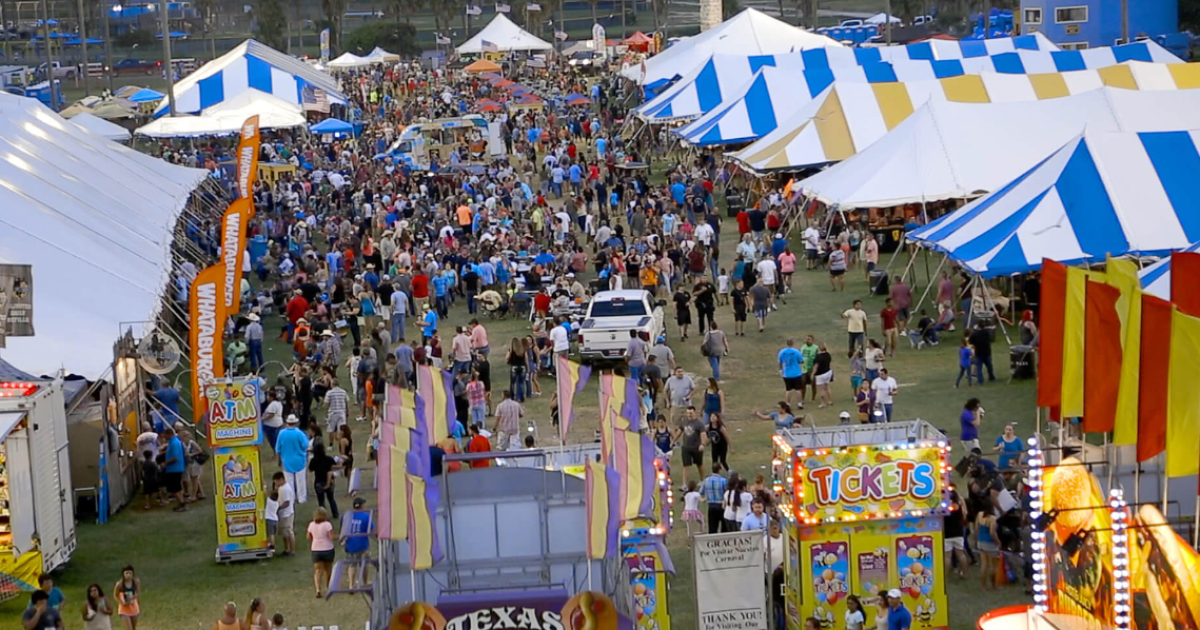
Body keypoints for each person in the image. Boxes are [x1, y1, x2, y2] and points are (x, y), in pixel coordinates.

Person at [275, 415, 311, 504]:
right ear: (295, 422)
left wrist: (279, 460)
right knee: (301, 481)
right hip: (299, 460)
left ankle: (291, 498)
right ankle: (302, 498)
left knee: (289, 481)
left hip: (287, 460)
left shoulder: (281, 433)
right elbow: (305, 445)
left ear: (287, 422)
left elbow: (278, 448)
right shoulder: (299, 433)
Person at [343, 497, 373, 587]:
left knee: (352, 565)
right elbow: (372, 530)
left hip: (350, 544)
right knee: (365, 564)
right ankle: (365, 582)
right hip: (363, 544)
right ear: (362, 506)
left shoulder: (347, 516)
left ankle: (351, 585)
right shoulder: (366, 516)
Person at [308, 507, 336, 598]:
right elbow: (331, 537)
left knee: (318, 570)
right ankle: (328, 587)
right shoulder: (327, 525)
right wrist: (339, 536)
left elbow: (308, 537)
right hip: (327, 549)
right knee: (328, 570)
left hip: (316, 550)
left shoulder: (311, 525)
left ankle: (318, 589)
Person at [678, 408, 708, 489]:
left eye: (690, 413)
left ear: (694, 413)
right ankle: (684, 484)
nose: (689, 415)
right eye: (688, 413)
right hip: (686, 447)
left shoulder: (699, 424)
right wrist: (674, 440)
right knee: (686, 465)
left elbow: (703, 435)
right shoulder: (684, 421)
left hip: (696, 448)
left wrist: (702, 444)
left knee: (699, 464)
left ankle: (702, 480)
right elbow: (680, 431)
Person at [160, 427, 188, 511]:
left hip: (174, 469)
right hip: (175, 468)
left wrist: (165, 463)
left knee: (173, 489)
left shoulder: (174, 443)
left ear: (169, 434)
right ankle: (182, 502)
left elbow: (175, 457)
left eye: (165, 435)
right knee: (177, 488)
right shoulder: (173, 442)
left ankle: (182, 504)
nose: (164, 437)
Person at [309, 442, 339, 519]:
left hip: (318, 481)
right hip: (329, 481)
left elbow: (310, 470)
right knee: (331, 499)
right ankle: (335, 514)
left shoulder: (314, 460)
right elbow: (334, 466)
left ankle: (322, 516)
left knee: (321, 501)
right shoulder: (328, 459)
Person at [944, 489, 969, 579]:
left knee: (947, 556)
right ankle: (965, 573)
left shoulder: (944, 508)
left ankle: (945, 576)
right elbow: (964, 515)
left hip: (947, 534)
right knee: (961, 554)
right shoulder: (959, 506)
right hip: (958, 533)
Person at [272, 472, 297, 557]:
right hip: (283, 514)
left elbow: (287, 502)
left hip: (287, 514)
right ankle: (287, 549)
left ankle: (292, 551)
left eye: (276, 481)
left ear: (281, 479)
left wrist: (277, 508)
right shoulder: (282, 488)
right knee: (284, 533)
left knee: (289, 532)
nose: (275, 483)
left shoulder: (285, 489)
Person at [976, 509, 1001, 590]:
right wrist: (998, 542)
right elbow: (992, 532)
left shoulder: (979, 514)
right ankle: (994, 585)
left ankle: (983, 586)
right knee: (993, 566)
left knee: (984, 564)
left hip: (980, 541)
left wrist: (976, 539)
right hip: (990, 543)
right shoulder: (992, 518)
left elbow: (976, 528)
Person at [777, 338, 805, 410]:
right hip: (796, 373)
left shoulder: (782, 352)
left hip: (786, 374)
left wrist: (780, 370)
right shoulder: (796, 351)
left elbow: (780, 362)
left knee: (788, 389)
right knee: (798, 389)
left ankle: (788, 404)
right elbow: (801, 361)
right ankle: (799, 403)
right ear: (793, 343)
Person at [701, 466, 727, 534]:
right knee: (724, 527)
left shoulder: (706, 480)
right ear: (719, 470)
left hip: (711, 505)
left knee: (712, 528)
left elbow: (701, 492)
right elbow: (727, 492)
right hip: (722, 505)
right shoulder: (724, 480)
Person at [113, 566, 141, 630]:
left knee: (133, 628)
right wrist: (121, 602)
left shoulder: (136, 582)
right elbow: (115, 595)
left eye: (130, 573)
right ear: (123, 574)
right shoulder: (119, 584)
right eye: (126, 573)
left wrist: (132, 597)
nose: (128, 575)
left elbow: (138, 593)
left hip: (134, 608)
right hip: (124, 609)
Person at [813, 343, 834, 408]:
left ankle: (823, 403)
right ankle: (830, 400)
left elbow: (816, 366)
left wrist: (813, 374)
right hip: (828, 372)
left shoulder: (818, 357)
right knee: (827, 387)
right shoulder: (828, 355)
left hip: (820, 374)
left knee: (821, 389)